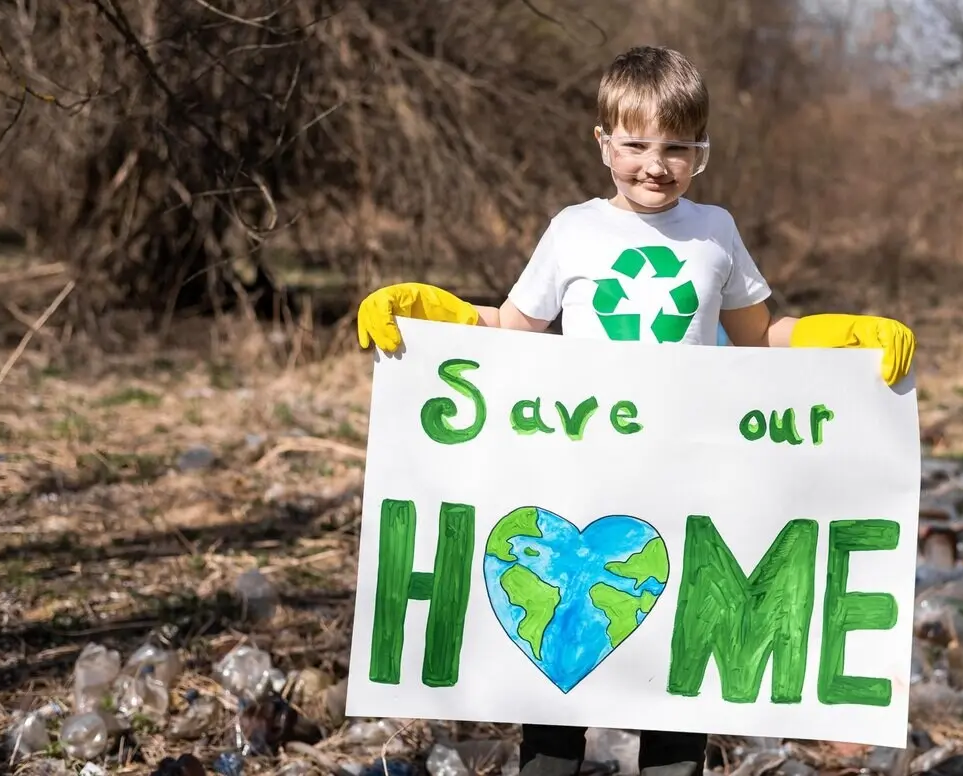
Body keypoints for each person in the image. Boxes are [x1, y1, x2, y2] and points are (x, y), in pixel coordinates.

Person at [355, 45, 916, 776]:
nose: (657, 164)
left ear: (702, 151)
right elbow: (517, 333)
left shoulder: (715, 232)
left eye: (679, 148)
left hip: (685, 481)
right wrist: (441, 316)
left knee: (678, 681)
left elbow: (757, 339)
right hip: (578, 477)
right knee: (555, 678)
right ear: (603, 143)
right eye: (637, 144)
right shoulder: (573, 231)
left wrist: (839, 337)